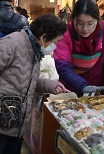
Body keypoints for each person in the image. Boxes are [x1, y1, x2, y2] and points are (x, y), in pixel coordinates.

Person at [0, 13, 70, 154]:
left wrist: (51, 85)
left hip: (15, 125)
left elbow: (26, 80)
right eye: (56, 41)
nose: (56, 46)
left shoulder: (35, 51)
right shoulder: (12, 43)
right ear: (44, 37)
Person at [54, 0, 104, 96]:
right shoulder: (65, 33)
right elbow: (63, 67)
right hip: (70, 90)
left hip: (98, 90)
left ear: (98, 20)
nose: (85, 29)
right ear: (73, 19)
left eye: (90, 23)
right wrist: (83, 86)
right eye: (80, 23)